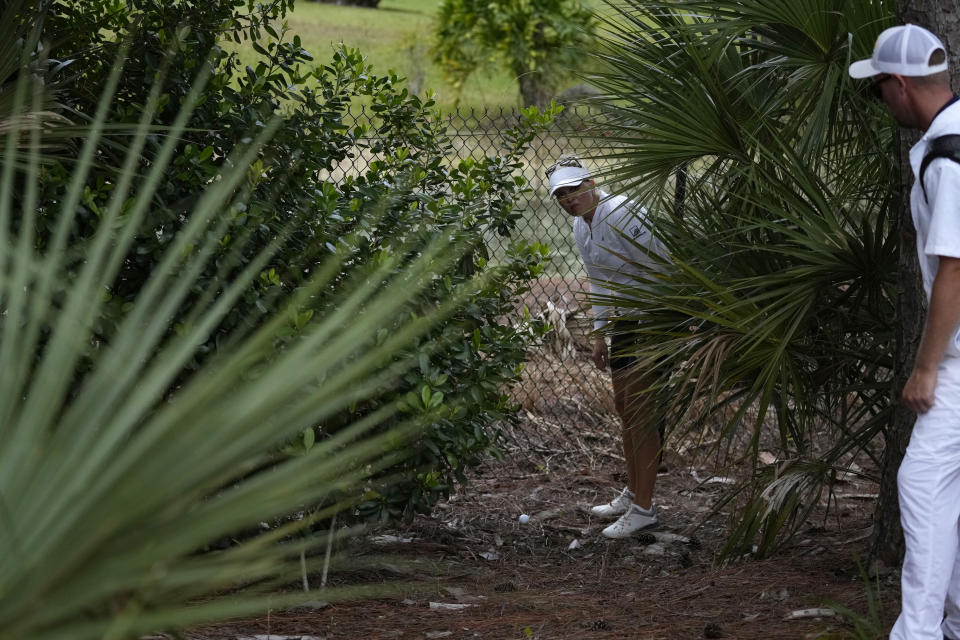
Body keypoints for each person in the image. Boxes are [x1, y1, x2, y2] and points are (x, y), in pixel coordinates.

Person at [850, 24, 960, 640]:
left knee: (920, 484)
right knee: (947, 493)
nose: (881, 103)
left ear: (898, 85)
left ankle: (916, 633)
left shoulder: (950, 156)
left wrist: (925, 368)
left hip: (958, 361)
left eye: (877, 91)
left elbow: (954, 267)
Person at [546, 156, 667, 539]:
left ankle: (644, 509)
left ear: (591, 183)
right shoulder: (583, 228)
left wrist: (666, 322)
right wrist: (601, 334)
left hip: (658, 315)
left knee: (642, 413)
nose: (568, 200)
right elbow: (599, 281)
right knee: (624, 406)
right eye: (560, 195)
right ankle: (633, 492)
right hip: (628, 320)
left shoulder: (625, 213)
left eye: (573, 190)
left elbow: (664, 266)